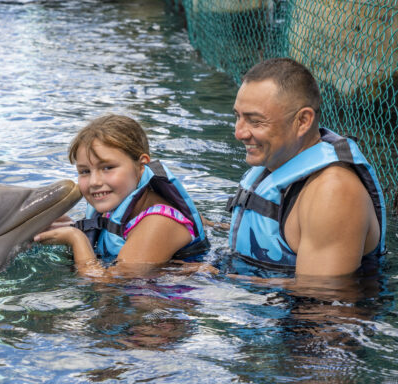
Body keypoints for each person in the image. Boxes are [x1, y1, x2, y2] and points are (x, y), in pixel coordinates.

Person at [226, 57, 386, 277]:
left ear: (303, 121)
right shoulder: (276, 163)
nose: (239, 133)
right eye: (238, 117)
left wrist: (216, 282)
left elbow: (319, 301)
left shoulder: (333, 193)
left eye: (255, 121)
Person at [34, 114, 210, 278]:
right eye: (85, 171)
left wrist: (75, 238)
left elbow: (107, 286)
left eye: (107, 168)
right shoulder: (119, 201)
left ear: (141, 165)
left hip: (165, 304)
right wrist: (75, 227)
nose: (94, 181)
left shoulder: (159, 222)